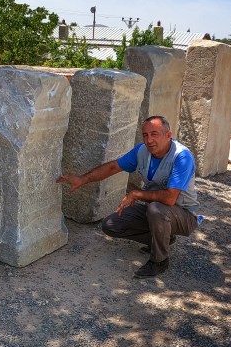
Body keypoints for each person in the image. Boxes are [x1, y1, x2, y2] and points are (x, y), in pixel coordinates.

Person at [57, 115, 200, 279]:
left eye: (154, 134)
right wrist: (83, 179)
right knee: (110, 225)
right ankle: (163, 238)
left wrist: (137, 193)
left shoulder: (181, 157)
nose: (149, 140)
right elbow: (113, 167)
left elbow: (169, 199)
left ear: (168, 135)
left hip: (183, 215)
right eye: (145, 135)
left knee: (156, 210)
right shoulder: (142, 151)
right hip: (156, 210)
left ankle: (159, 260)